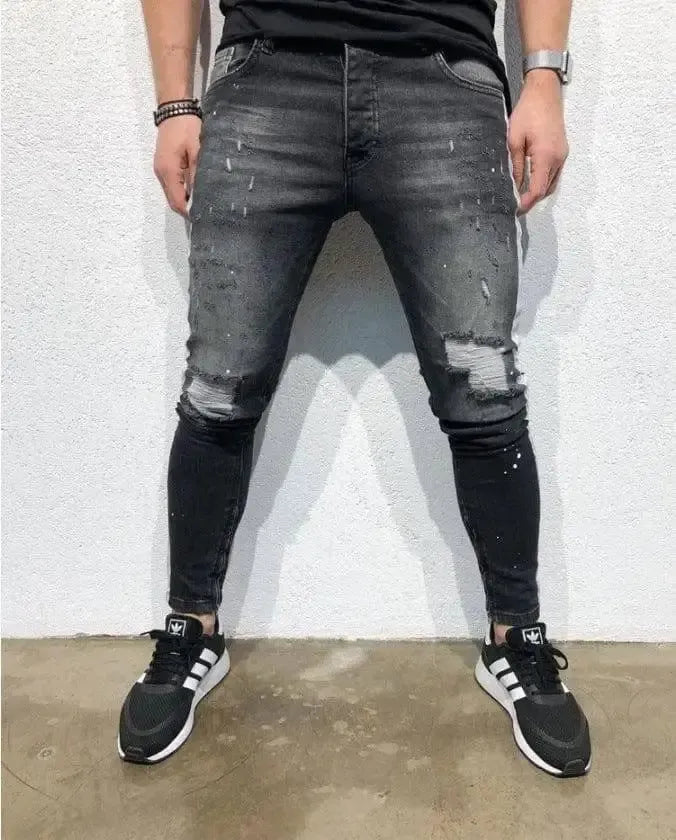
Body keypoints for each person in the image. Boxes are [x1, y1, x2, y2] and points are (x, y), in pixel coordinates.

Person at [118, 0, 591, 777]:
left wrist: (544, 79)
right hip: (266, 71)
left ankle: (518, 637)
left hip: (444, 76)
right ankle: (191, 627)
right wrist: (175, 104)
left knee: (483, 388)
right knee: (219, 389)